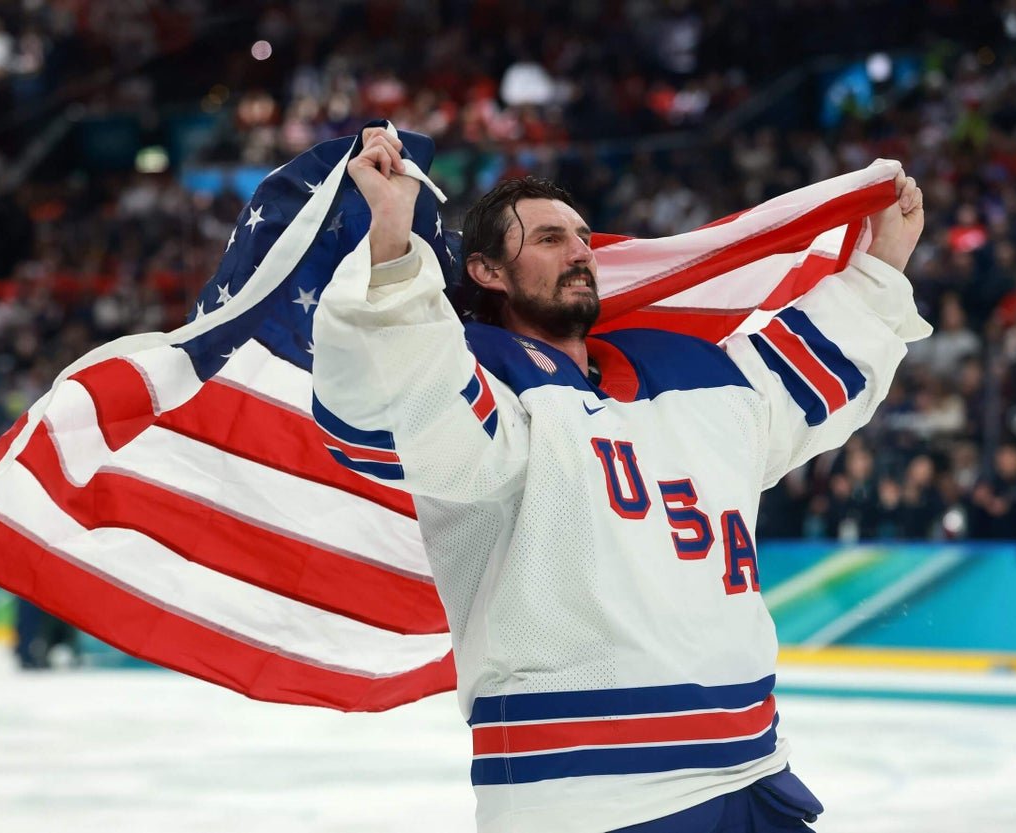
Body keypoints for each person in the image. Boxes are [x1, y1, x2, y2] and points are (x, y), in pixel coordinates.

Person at [311, 128, 930, 833]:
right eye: (549, 239)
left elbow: (811, 377)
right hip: (586, 797)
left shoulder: (696, 374)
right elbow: (409, 404)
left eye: (582, 237)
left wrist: (883, 265)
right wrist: (393, 249)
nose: (580, 251)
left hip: (752, 772)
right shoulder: (485, 387)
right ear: (486, 270)